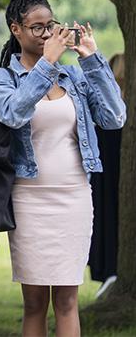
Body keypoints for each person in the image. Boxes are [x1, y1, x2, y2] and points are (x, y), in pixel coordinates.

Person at [0, 0, 126, 337]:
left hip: (75, 198)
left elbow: (114, 118)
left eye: (51, 26)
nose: (48, 35)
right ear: (16, 29)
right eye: (37, 28)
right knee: (34, 303)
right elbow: (14, 113)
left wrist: (93, 60)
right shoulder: (2, 78)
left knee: (67, 301)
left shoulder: (74, 76)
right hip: (30, 200)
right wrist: (46, 64)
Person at [88, 52, 124, 294]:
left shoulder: (108, 113)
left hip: (105, 177)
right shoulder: (111, 113)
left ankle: (109, 269)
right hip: (109, 173)